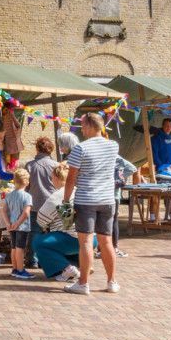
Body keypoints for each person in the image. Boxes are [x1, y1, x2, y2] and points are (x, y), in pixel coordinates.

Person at [61, 113, 122, 295]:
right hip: (107, 199)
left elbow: (71, 178)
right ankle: (112, 282)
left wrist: (65, 200)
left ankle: (83, 283)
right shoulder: (113, 146)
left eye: (83, 126)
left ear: (88, 126)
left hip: (86, 198)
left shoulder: (80, 148)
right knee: (106, 241)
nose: (82, 130)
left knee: (86, 242)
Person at [28, 167, 83, 282]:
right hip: (91, 237)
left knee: (39, 242)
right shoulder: (79, 190)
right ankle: (80, 265)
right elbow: (69, 220)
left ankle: (67, 268)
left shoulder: (57, 196)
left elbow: (41, 220)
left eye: (52, 177)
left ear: (56, 178)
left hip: (74, 240)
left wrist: (51, 223)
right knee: (64, 234)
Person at [3, 173, 35, 280]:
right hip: (22, 226)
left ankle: (15, 268)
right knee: (20, 248)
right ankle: (20, 270)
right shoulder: (27, 196)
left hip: (12, 225)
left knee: (13, 247)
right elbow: (26, 213)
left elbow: (3, 210)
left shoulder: (9, 195)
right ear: (27, 182)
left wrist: (8, 223)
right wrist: (18, 223)